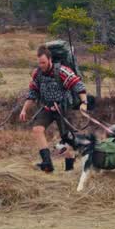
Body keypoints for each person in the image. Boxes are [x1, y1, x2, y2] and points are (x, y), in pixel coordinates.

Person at [18, 44, 88, 173]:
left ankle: (69, 169)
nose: (41, 65)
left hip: (63, 109)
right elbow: (32, 93)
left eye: (44, 62)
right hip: (47, 108)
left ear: (50, 60)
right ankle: (47, 163)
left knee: (67, 139)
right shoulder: (37, 74)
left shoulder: (62, 71)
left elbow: (78, 85)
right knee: (37, 129)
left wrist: (84, 102)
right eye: (39, 63)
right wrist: (24, 110)